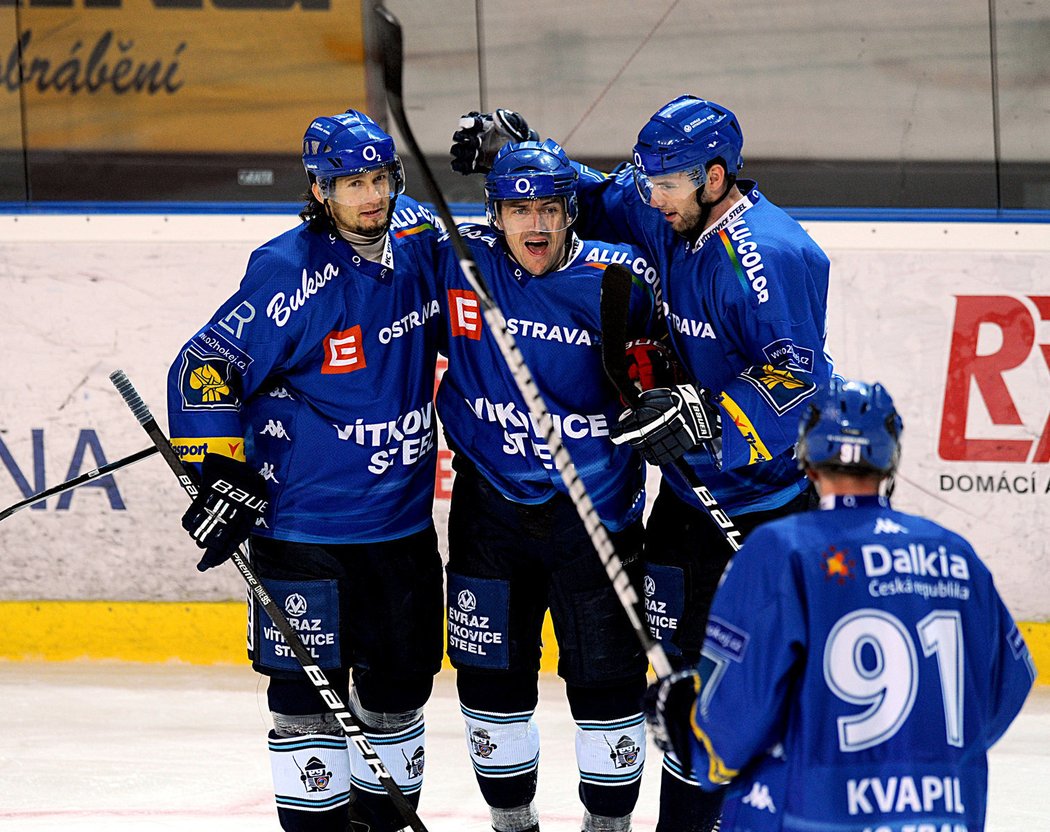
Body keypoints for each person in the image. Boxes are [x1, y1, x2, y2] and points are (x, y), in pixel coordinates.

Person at [452, 96, 834, 831]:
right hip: (685, 505)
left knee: (755, 692)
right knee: (682, 691)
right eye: (648, 178)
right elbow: (589, 198)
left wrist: (711, 421)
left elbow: (797, 376)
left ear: (716, 176)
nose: (648, 196)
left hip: (766, 508)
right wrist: (528, 145)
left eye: (665, 183)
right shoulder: (670, 208)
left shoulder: (771, 255)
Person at [166, 109, 445, 832]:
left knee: (398, 701)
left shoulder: (421, 238)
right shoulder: (288, 273)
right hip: (303, 531)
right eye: (350, 183)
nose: (370, 196)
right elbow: (204, 367)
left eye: (379, 178)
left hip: (402, 530)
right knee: (305, 710)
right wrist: (218, 475)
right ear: (320, 190)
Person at [645, 377, 1036, 831]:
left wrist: (681, 720)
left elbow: (726, 738)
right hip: (942, 813)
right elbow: (1012, 679)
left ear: (807, 458)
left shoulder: (779, 550)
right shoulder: (956, 554)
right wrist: (934, 758)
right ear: (891, 460)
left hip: (811, 814)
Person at [435, 139, 662, 832]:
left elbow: (658, 381)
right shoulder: (456, 260)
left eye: (549, 209)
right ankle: (513, 825)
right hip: (489, 509)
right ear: (493, 213)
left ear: (572, 212)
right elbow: (372, 219)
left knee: (609, 688)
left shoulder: (618, 280)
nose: (535, 227)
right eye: (517, 209)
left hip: (593, 516)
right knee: (491, 685)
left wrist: (655, 399)